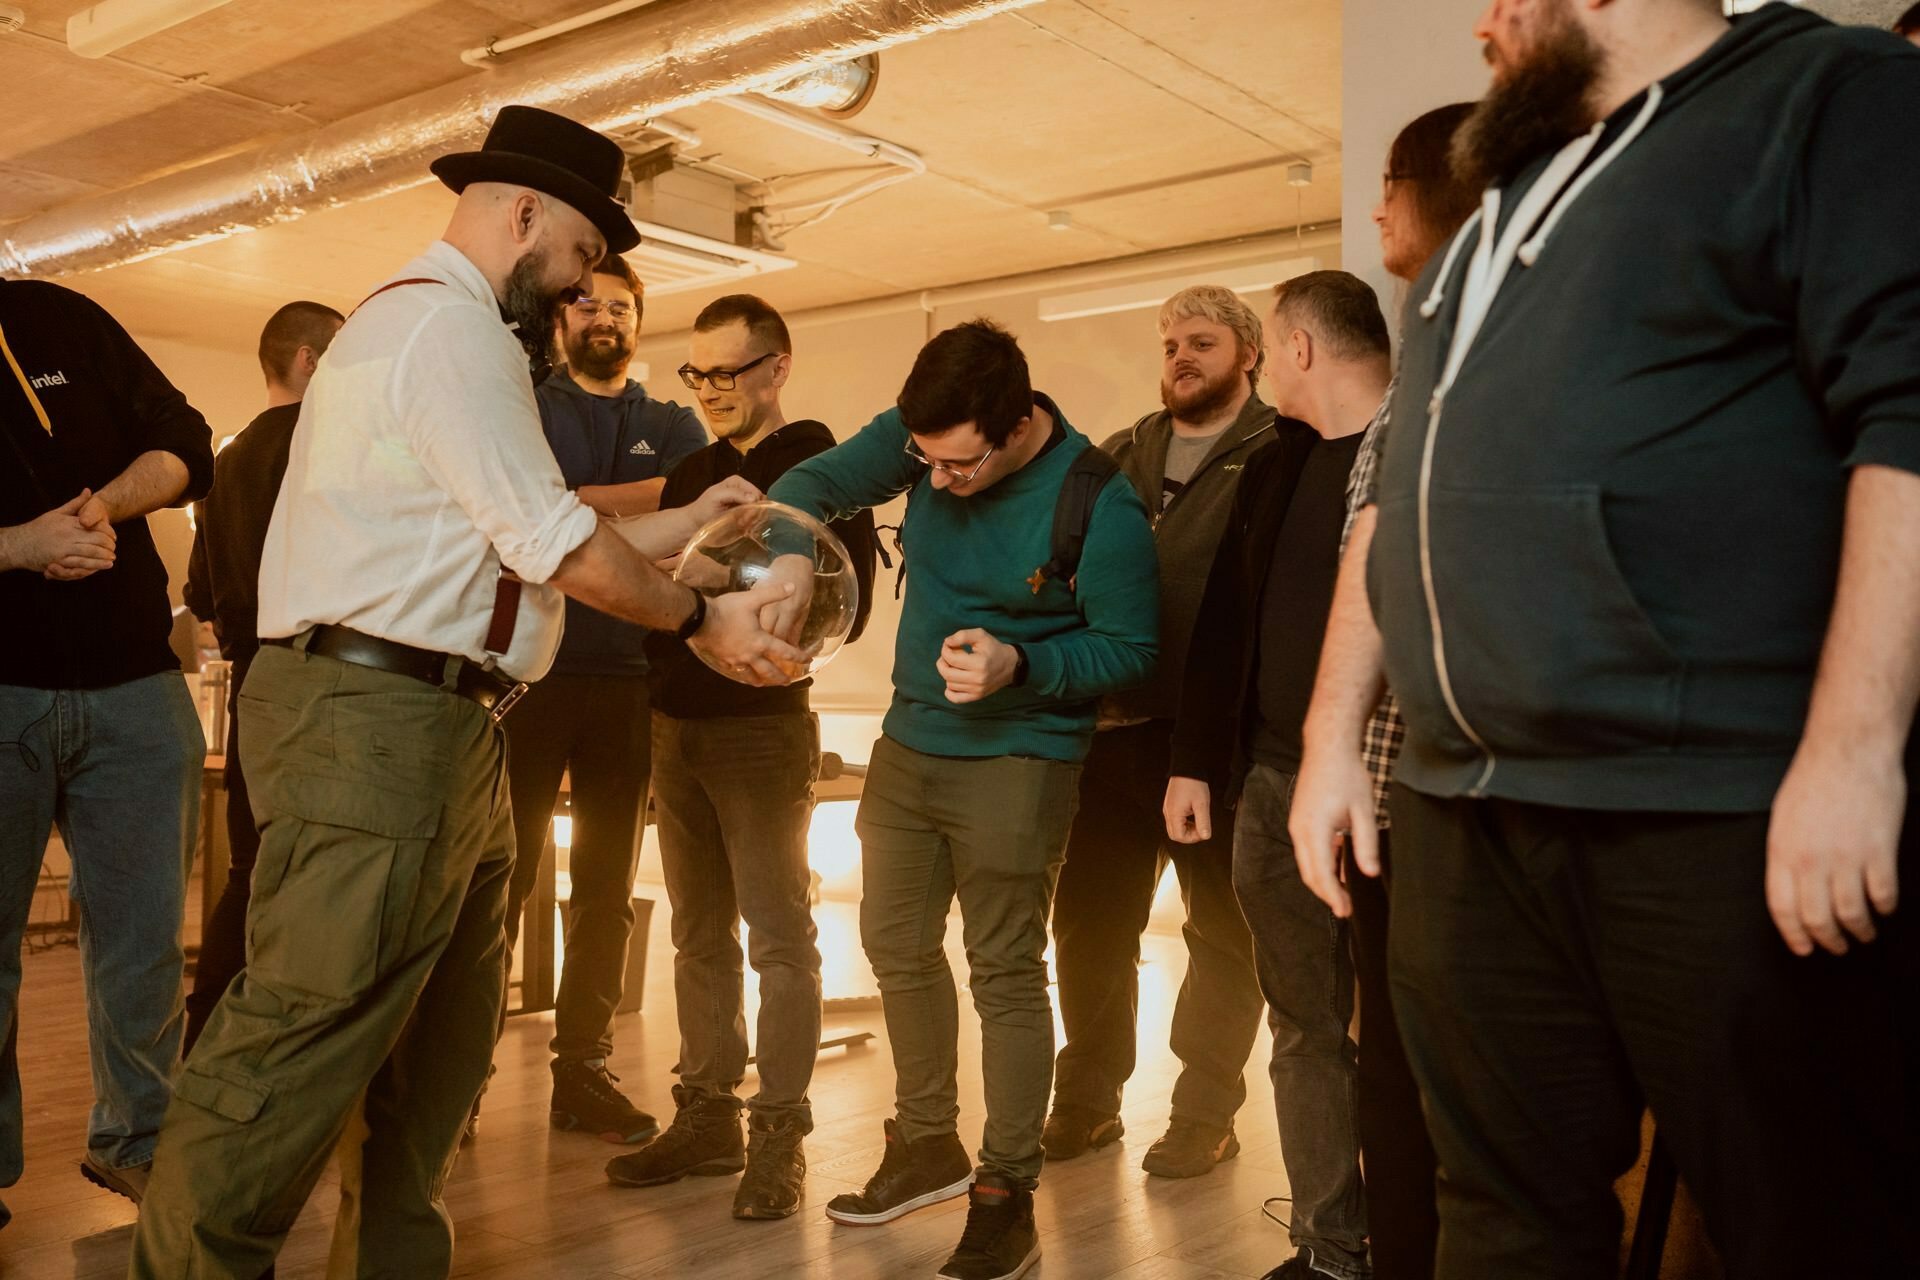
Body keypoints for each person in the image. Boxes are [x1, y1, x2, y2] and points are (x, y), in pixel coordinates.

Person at [1288, 3, 1920, 1276]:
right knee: (1500, 1212)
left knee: (1808, 1221)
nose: (1486, 24)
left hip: (1704, 799)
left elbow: (1907, 411)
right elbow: (1401, 492)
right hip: (1466, 811)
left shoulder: (1828, 94)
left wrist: (1856, 752)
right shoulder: (1497, 211)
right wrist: (1329, 736)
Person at [127, 104, 806, 1280]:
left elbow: (498, 527)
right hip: (378, 724)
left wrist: (689, 519)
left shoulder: (440, 339)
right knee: (293, 1044)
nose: (584, 293)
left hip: (448, 729)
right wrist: (700, 617)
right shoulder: (445, 331)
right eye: (584, 262)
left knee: (434, 1055)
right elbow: (548, 540)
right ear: (527, 214)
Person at [769, 319, 1158, 1280]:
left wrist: (1024, 661)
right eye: (926, 462)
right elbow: (811, 482)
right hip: (909, 744)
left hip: (1020, 757)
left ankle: (1005, 1194)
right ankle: (927, 1143)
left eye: (959, 465)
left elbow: (1134, 650)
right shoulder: (925, 438)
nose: (936, 481)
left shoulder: (1096, 503)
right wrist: (787, 549)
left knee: (1004, 970)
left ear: (1017, 420)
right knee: (895, 945)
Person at [606, 293, 876, 1220]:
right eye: (699, 373)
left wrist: (710, 579)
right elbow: (658, 589)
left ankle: (780, 1135)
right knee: (696, 932)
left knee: (781, 939)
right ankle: (708, 1113)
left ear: (776, 367)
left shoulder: (819, 463)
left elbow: (835, 600)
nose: (713, 390)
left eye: (730, 371)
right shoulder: (691, 467)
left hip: (761, 733)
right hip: (674, 724)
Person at [1164, 272, 1392, 1280]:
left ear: (1295, 347)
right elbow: (1223, 621)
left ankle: (1418, 1240)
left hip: (1392, 789)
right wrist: (1192, 763)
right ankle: (1331, 1244)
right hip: (1268, 783)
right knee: (1304, 1026)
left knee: (1408, 1029)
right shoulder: (1274, 463)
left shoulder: (1422, 452)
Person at [1043, 285, 1270, 1178]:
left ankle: (1205, 1112)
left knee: (1222, 933)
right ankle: (1089, 1101)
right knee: (1091, 927)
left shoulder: (1276, 452)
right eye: (1170, 342)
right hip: (1111, 732)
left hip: (1214, 741)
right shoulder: (1121, 452)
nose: (1180, 355)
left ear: (1247, 354)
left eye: (1201, 341)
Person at [0, 279, 215, 1222]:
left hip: (135, 688)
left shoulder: (61, 315)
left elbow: (186, 445)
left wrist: (107, 510)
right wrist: (17, 546)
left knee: (143, 948)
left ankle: (137, 1143)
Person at [500, 250, 705, 1145]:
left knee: (607, 892)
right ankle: (454, 1079)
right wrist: (645, 509)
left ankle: (581, 1071)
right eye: (584, 302)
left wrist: (578, 509)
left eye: (618, 305)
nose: (601, 316)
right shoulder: (521, 405)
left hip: (630, 683)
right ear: (559, 320)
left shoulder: (674, 419)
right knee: (495, 884)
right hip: (526, 681)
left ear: (637, 321)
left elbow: (697, 519)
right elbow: (522, 510)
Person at [182, 300, 345, 1055]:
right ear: (310, 360)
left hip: (252, 686)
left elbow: (199, 600)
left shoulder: (225, 459)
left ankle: (208, 1040)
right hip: (321, 684)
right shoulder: (329, 449)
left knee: (252, 870)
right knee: (322, 875)